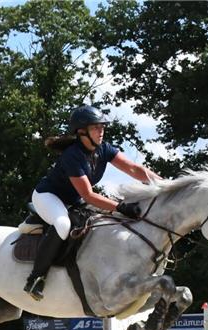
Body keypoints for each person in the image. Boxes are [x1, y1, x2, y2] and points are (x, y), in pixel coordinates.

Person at [25, 105, 162, 300]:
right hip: (48, 196)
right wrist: (120, 206)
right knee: (63, 225)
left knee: (103, 223)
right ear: (82, 132)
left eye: (102, 127)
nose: (101, 132)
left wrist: (164, 185)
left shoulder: (104, 149)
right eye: (96, 128)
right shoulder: (72, 155)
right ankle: (35, 278)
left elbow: (133, 169)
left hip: (74, 199)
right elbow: (88, 195)